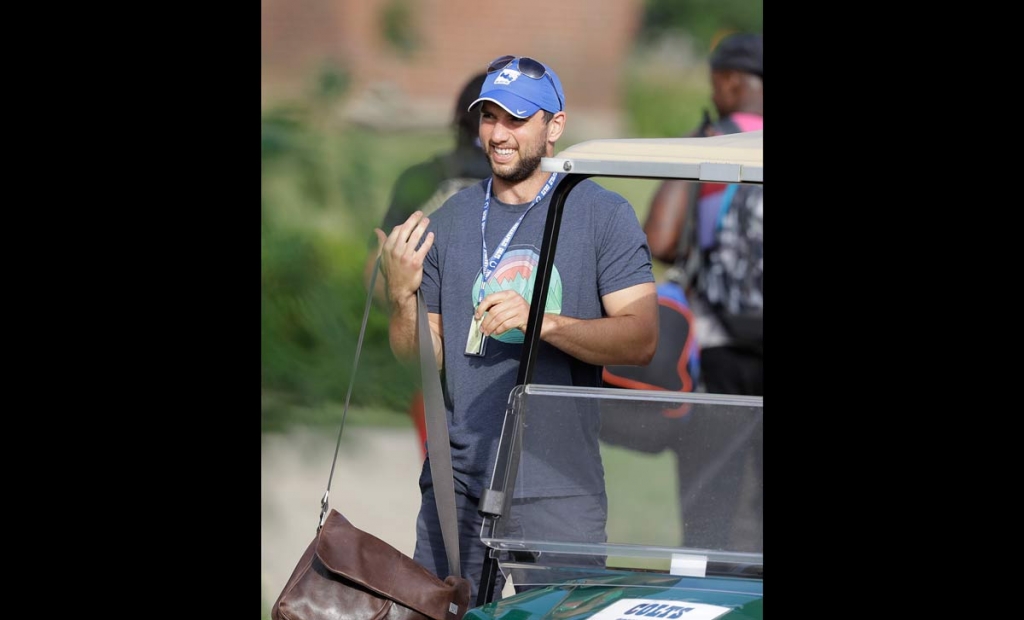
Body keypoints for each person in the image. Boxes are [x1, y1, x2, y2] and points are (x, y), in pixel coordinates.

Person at [374, 55, 659, 602]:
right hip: (456, 480)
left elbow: (641, 338)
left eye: (516, 119)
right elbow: (418, 360)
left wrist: (541, 323)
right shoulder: (450, 219)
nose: (499, 134)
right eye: (489, 118)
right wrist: (401, 296)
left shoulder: (601, 214)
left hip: (558, 483)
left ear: (555, 126)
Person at [642, 32, 763, 551]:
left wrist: (698, 142)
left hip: (720, 354)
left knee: (711, 503)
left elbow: (660, 239)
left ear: (731, 82)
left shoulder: (715, 144)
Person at [364, 72, 492, 458]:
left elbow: (377, 270)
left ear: (458, 119)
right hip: (509, 357)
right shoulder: (530, 185)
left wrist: (406, 305)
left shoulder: (422, 180)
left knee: (441, 480)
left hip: (432, 352)